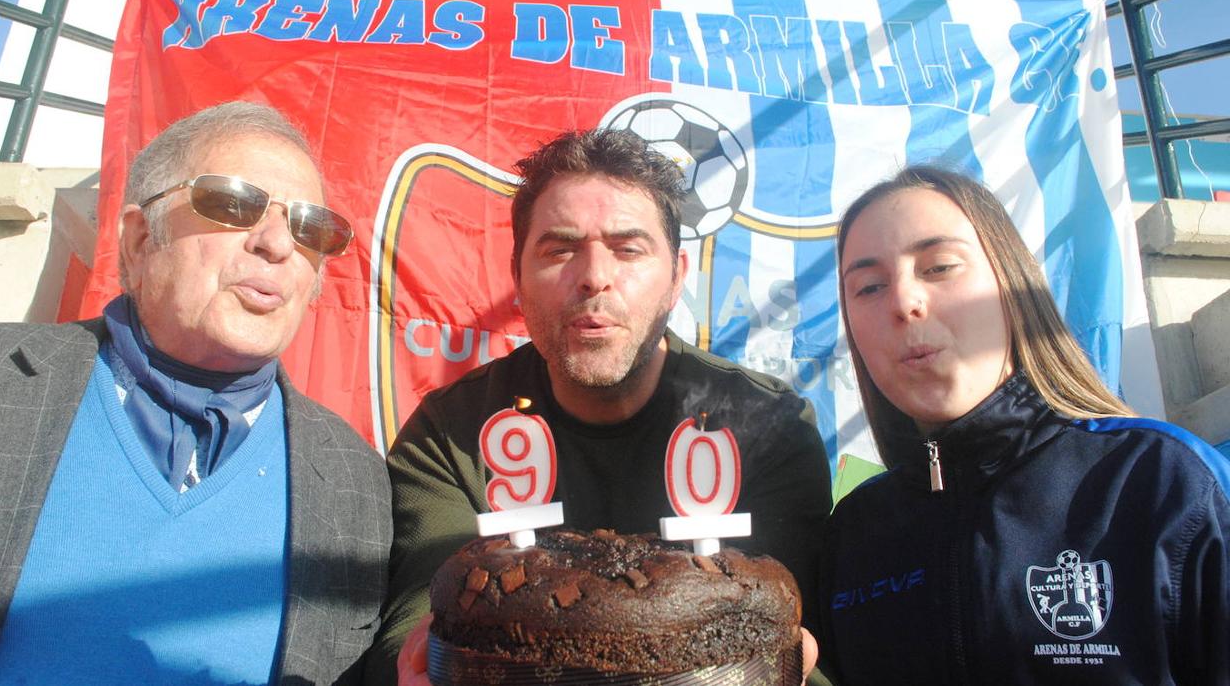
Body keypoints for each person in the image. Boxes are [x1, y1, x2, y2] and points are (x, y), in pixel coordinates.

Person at [364, 128, 831, 684]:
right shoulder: (448, 436)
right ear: (517, 277)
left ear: (678, 276)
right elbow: (419, 627)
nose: (594, 278)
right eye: (560, 249)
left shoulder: (768, 428)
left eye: (628, 249)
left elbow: (781, 638)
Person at [0, 102, 391, 685]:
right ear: (140, 240)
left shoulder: (358, 480)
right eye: (231, 202)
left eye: (309, 227)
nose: (277, 243)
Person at [815, 165, 1230, 684]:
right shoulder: (853, 535)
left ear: (1013, 284)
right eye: (869, 287)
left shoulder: (1163, 482)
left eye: (939, 267)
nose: (904, 301)